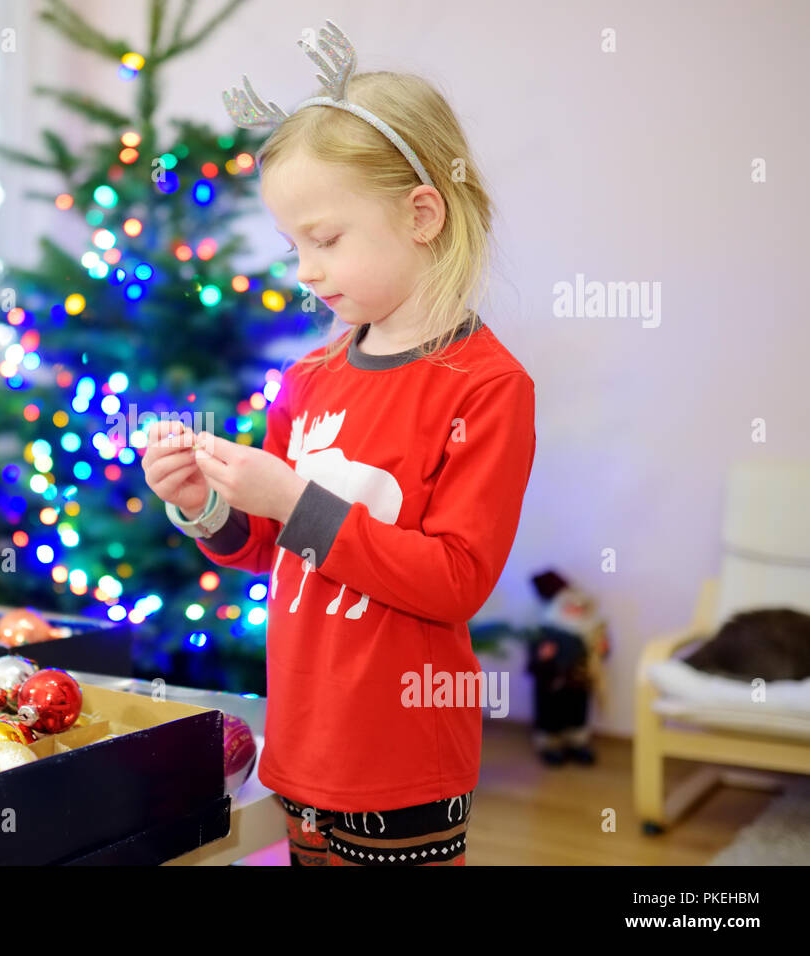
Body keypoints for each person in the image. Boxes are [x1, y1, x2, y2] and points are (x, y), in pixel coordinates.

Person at [141, 22, 536, 866]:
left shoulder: (487, 387)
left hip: (402, 760)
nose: (305, 270)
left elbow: (454, 581)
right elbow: (268, 547)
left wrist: (291, 498)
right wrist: (202, 503)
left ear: (421, 213)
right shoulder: (312, 377)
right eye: (293, 246)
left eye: (325, 239)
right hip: (304, 744)